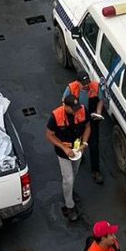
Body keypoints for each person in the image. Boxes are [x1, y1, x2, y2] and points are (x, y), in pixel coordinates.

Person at [47, 93, 89, 221]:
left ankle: (69, 192)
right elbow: (49, 135)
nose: (76, 112)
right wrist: (64, 148)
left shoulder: (82, 110)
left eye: (77, 109)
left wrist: (85, 143)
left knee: (74, 173)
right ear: (65, 106)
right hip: (63, 153)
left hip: (77, 150)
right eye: (73, 109)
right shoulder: (56, 116)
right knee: (68, 178)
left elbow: (87, 127)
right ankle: (69, 205)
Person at [64, 70, 105, 184]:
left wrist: (98, 112)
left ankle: (96, 171)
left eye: (88, 82)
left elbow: (100, 100)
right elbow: (64, 104)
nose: (86, 85)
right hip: (77, 121)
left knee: (94, 145)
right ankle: (79, 156)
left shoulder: (95, 86)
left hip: (91, 120)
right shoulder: (71, 89)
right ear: (78, 82)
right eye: (84, 83)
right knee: (77, 141)